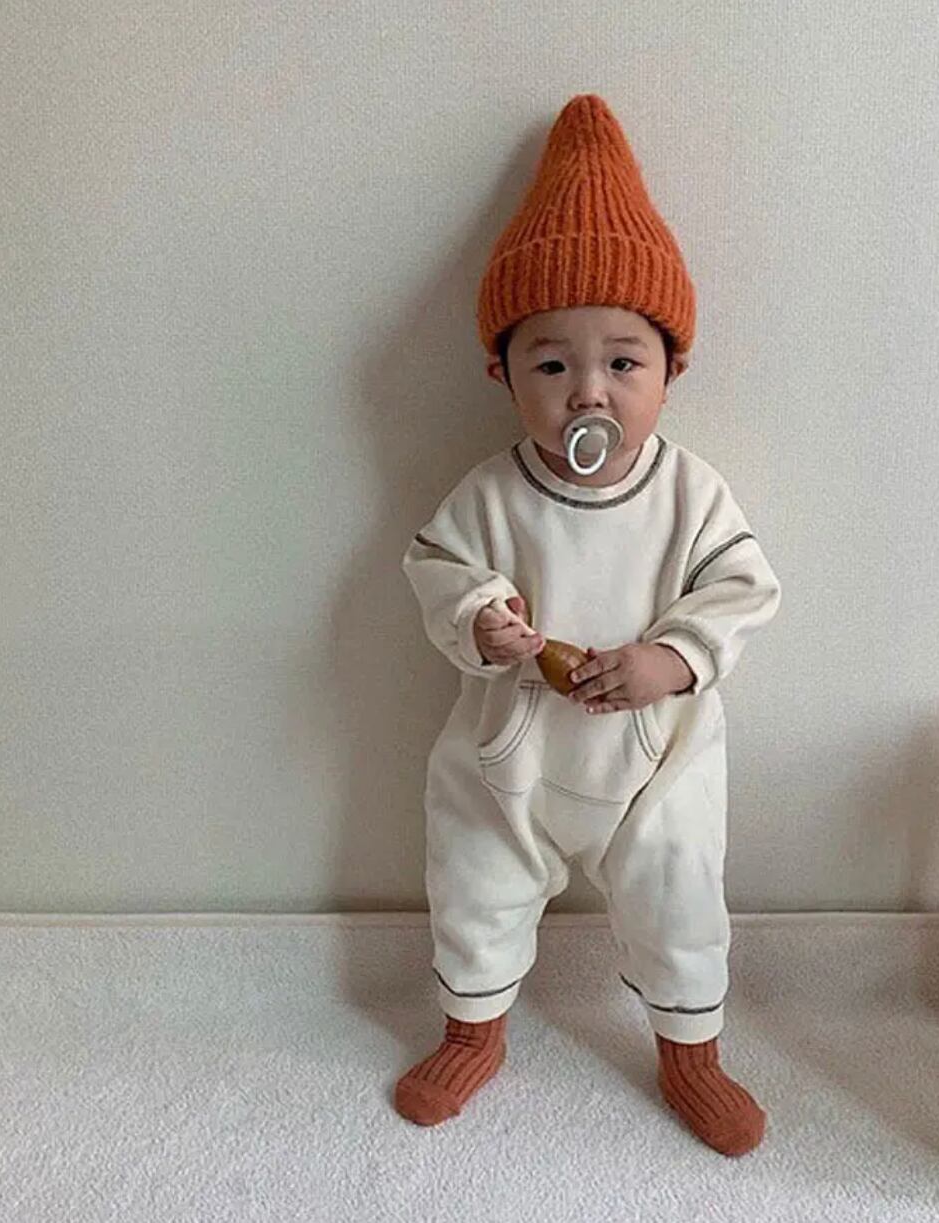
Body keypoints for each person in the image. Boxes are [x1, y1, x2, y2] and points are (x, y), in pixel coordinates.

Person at [397, 94, 782, 1157]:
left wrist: (672, 658)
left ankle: (690, 1053)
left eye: (622, 361)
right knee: (473, 876)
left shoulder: (691, 493)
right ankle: (471, 1032)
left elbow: (743, 586)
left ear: (670, 371)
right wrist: (481, 617)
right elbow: (434, 564)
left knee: (679, 894)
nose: (587, 395)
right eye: (551, 365)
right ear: (502, 374)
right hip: (510, 756)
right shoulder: (491, 493)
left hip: (654, 762)